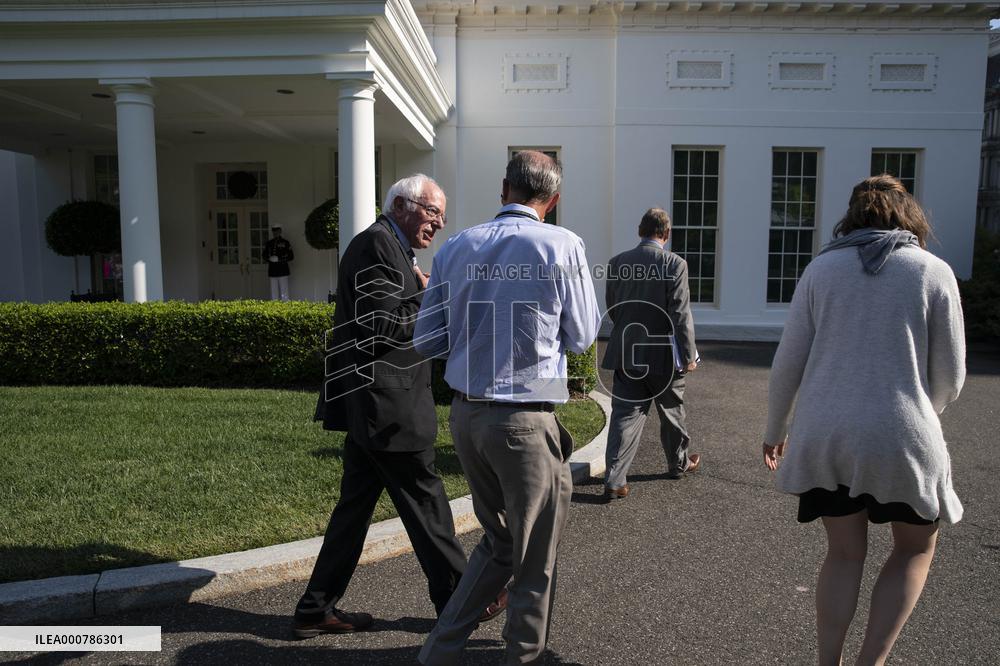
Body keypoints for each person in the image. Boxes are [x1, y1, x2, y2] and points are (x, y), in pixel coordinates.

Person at [762, 174, 966, 666]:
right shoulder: (933, 271)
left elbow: (788, 361)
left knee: (844, 553)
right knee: (915, 549)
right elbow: (951, 375)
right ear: (909, 212)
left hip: (826, 433)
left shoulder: (821, 271)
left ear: (851, 215)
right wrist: (920, 411)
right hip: (903, 433)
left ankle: (827, 661)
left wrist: (774, 431)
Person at [414, 150, 601, 665]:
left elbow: (426, 340)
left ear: (504, 189)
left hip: (468, 416)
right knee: (534, 554)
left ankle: (440, 650)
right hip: (524, 418)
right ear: (554, 198)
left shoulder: (456, 247)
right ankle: (523, 655)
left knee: (498, 544)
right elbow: (584, 336)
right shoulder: (561, 245)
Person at [294, 174, 483, 637]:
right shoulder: (376, 246)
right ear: (401, 204)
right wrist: (434, 293)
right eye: (432, 211)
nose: (439, 223)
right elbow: (382, 325)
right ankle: (462, 600)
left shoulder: (391, 247)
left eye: (441, 214)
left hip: (375, 407)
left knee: (354, 513)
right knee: (427, 504)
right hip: (386, 408)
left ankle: (315, 609)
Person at [601, 208, 700, 500]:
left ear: (639, 231)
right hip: (663, 356)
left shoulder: (617, 263)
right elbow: (680, 313)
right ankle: (677, 464)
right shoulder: (675, 264)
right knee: (671, 413)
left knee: (624, 416)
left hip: (627, 351)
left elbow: (614, 308)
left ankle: (615, 480)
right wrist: (689, 353)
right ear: (666, 234)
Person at [265, 225, 294, 301]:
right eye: (274, 231)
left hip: (283, 270)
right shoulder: (269, 243)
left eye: (277, 231)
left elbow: (291, 256)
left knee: (284, 293)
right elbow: (264, 255)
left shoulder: (285, 242)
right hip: (272, 270)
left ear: (280, 231)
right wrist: (269, 259)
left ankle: (285, 310)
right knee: (273, 293)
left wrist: (279, 259)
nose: (275, 233)